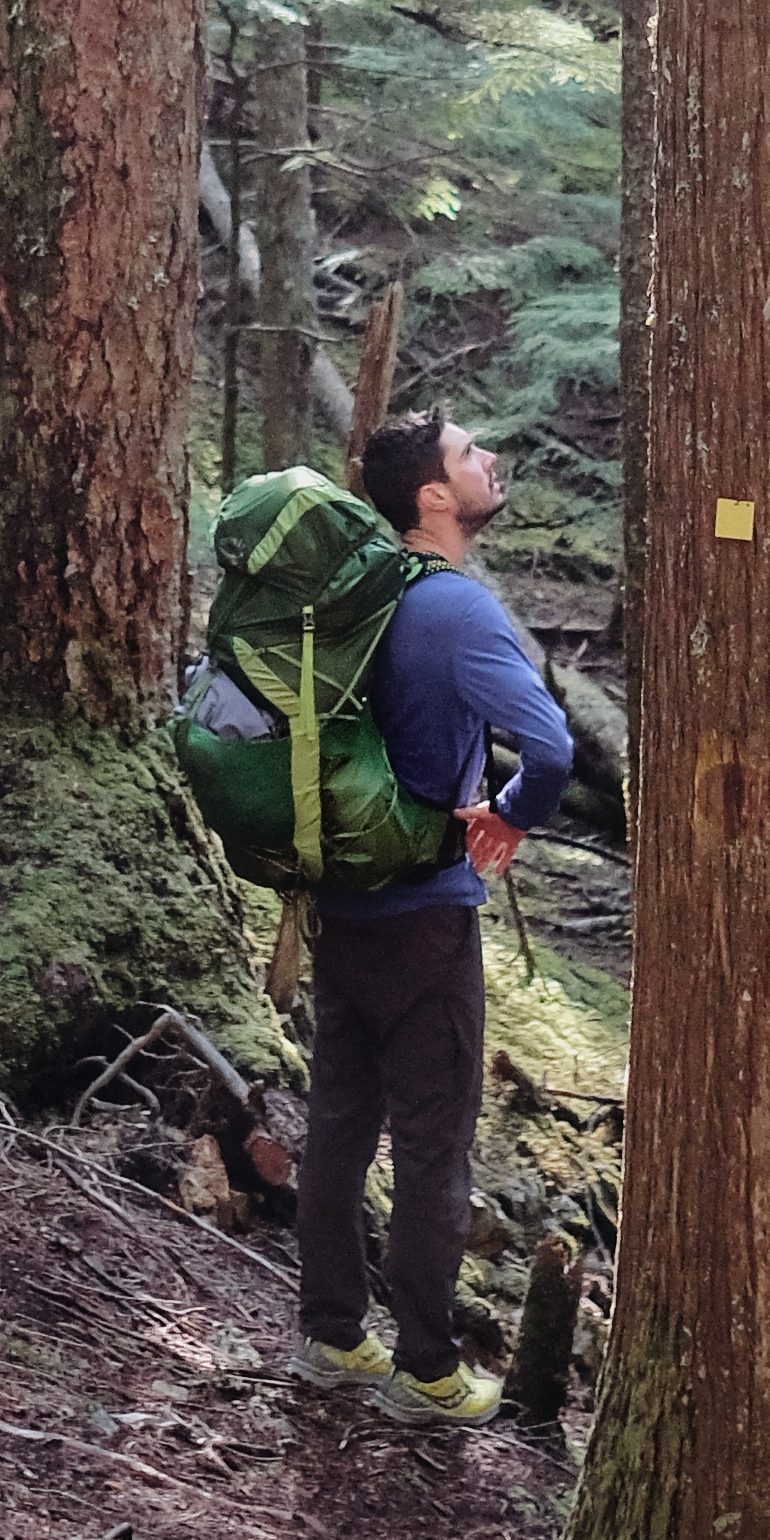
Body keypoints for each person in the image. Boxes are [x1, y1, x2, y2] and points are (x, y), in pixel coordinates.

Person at [292, 411, 573, 1431]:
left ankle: (328, 1336)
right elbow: (548, 748)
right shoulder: (455, 608)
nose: (488, 458)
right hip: (427, 918)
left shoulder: (358, 596)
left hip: (341, 899)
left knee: (336, 1122)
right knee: (430, 1144)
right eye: (468, 454)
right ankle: (425, 1369)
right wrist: (512, 818)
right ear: (434, 500)